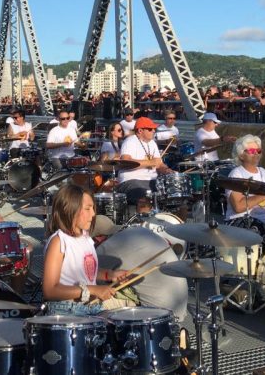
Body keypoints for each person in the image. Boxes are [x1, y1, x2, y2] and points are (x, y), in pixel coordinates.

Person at [42, 184, 129, 316]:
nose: (93, 214)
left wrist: (109, 275)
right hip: (66, 309)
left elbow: (84, 271)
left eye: (93, 208)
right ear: (69, 209)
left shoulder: (85, 237)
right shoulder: (59, 242)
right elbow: (50, 290)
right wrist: (93, 290)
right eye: (88, 208)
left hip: (88, 305)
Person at [224, 135, 265, 249]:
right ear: (241, 155)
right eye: (252, 151)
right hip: (241, 220)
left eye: (258, 151)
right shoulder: (236, 174)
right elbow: (238, 207)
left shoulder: (263, 172)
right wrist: (264, 195)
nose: (256, 154)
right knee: (258, 228)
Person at [117, 117, 173, 205]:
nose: (154, 131)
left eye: (154, 129)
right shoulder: (130, 141)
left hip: (152, 181)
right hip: (132, 180)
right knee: (145, 198)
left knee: (176, 199)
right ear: (140, 131)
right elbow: (125, 162)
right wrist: (151, 162)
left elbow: (159, 164)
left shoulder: (152, 143)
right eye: (150, 129)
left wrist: (167, 170)